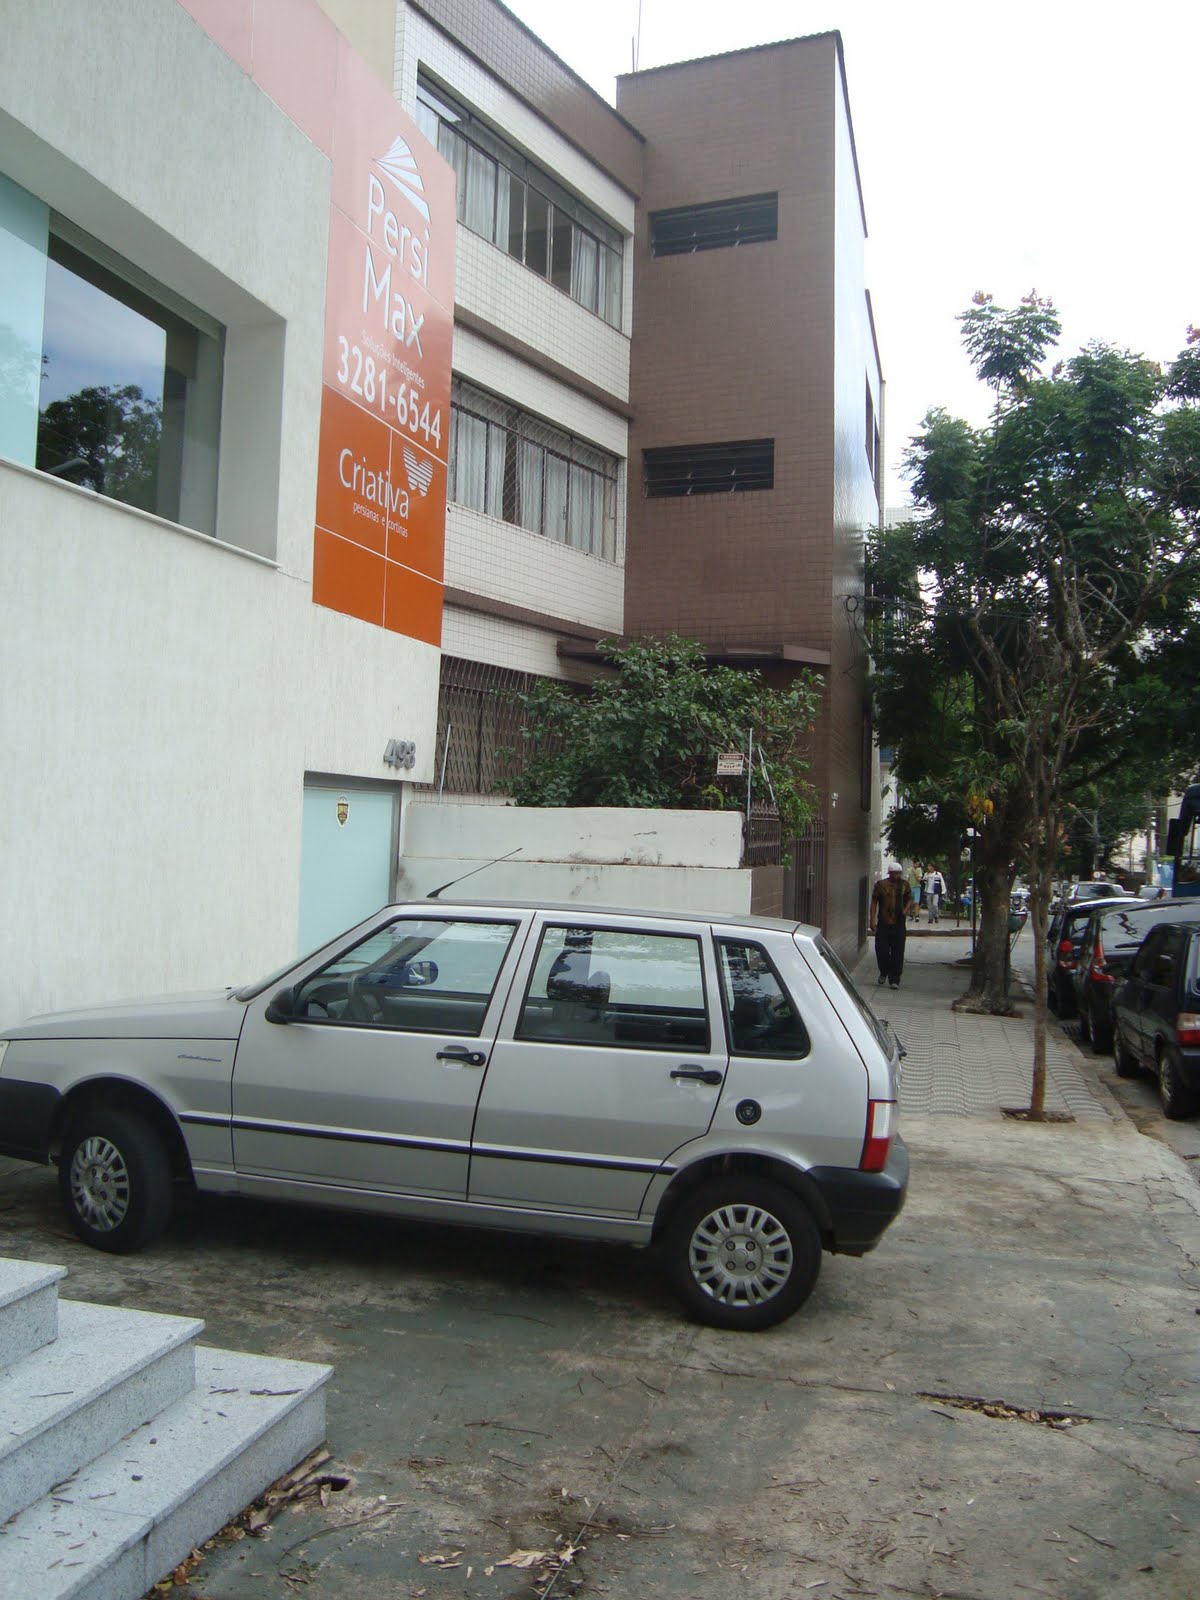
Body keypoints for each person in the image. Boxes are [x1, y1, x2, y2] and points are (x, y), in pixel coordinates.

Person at [869, 862, 913, 988]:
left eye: (899, 873)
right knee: (881, 950)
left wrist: (905, 910)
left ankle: (895, 979)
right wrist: (872, 920)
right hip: (884, 922)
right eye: (895, 873)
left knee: (898, 952)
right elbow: (874, 901)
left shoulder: (904, 885)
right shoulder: (881, 885)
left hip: (899, 923)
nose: (897, 876)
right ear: (890, 873)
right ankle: (884, 971)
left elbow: (910, 898)